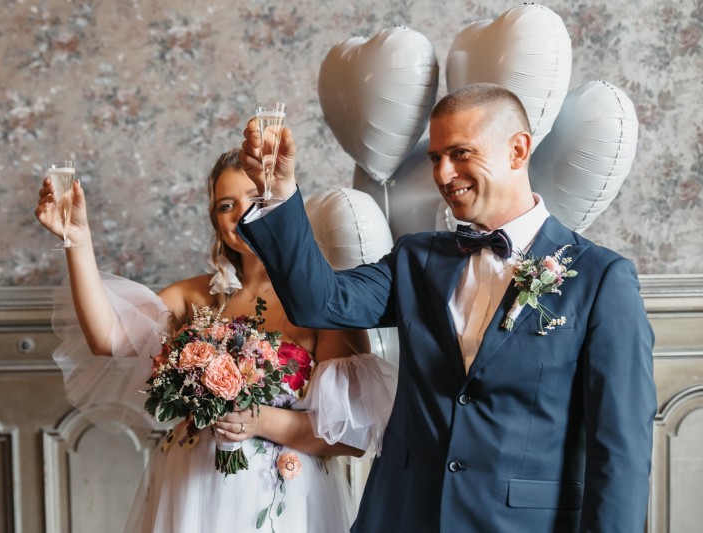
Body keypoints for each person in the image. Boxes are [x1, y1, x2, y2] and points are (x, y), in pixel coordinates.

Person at [237, 83, 657, 532]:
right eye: (436, 158)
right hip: (403, 517)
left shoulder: (600, 279)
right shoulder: (416, 258)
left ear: (517, 150)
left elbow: (621, 451)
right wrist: (279, 194)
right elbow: (319, 303)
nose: (443, 173)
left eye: (460, 153)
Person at [35, 149, 396, 532]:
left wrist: (259, 420)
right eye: (226, 205)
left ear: (285, 204)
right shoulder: (196, 298)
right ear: (216, 221)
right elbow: (106, 338)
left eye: (256, 198)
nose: (241, 213)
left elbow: (350, 438)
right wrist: (77, 238)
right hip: (192, 489)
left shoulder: (323, 300)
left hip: (279, 498)